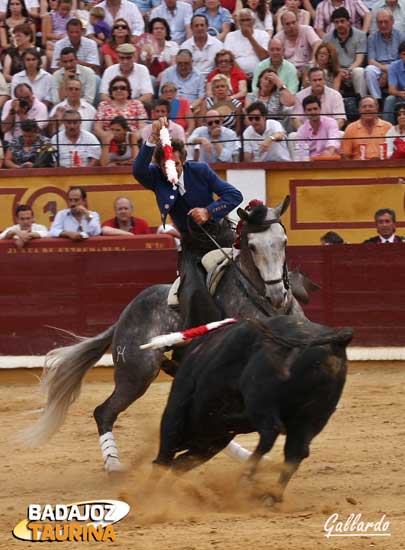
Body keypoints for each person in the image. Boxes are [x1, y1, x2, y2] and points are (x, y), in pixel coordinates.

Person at [133, 116, 243, 328]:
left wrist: (209, 211)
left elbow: (234, 196)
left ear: (183, 161)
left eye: (175, 164)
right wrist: (152, 139)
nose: (170, 170)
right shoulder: (156, 177)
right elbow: (138, 170)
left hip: (220, 235)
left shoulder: (200, 170)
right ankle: (195, 337)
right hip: (192, 245)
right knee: (192, 291)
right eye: (165, 166)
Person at [323, 8, 368, 98]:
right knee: (323, 72)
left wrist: (348, 71)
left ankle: (362, 100)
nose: (340, 24)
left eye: (342, 21)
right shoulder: (327, 38)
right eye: (336, 22)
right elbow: (328, 60)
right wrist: (339, 71)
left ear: (349, 21)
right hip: (336, 70)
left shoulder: (361, 35)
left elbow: (359, 59)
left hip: (352, 70)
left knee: (359, 71)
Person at [365, 9, 405, 103]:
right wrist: (385, 70)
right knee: (369, 70)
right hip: (379, 67)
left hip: (397, 67)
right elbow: (371, 60)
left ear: (392, 22)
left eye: (386, 22)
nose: (383, 25)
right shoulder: (372, 38)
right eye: (380, 22)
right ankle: (377, 101)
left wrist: (389, 72)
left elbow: (402, 58)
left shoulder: (401, 36)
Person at [95, 75, 147, 143]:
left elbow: (142, 127)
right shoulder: (103, 105)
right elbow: (97, 128)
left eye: (123, 88)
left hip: (132, 142)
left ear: (128, 91)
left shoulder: (137, 104)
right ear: (111, 91)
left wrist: (133, 138)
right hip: (109, 143)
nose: (119, 90)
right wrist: (106, 137)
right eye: (115, 88)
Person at [274, 11, 322, 78]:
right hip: (289, 71)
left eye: (293, 22)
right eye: (287, 24)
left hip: (307, 68)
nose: (291, 26)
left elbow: (317, 44)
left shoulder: (307, 29)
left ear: (298, 21)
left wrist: (314, 61)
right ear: (283, 25)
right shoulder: (278, 38)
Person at [223, 8, 269, 77]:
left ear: (253, 21)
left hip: (260, 75)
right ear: (238, 22)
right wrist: (242, 75)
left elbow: (264, 57)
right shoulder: (230, 36)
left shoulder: (263, 34)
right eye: (242, 20)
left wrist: (250, 37)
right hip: (237, 75)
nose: (245, 23)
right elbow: (229, 59)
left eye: (248, 20)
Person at [294, 94, 341, 159]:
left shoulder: (331, 122)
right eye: (309, 110)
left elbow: (333, 141)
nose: (313, 112)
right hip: (310, 164)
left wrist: (329, 153)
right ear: (305, 112)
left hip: (330, 161)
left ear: (320, 109)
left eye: (315, 109)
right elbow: (301, 154)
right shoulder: (301, 130)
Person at [41, 0, 72, 65]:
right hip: (55, 42)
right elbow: (48, 35)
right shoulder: (51, 16)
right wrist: (60, 37)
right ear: (58, 7)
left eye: (68, 10)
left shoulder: (72, 18)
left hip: (68, 42)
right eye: (63, 9)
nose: (65, 12)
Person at [385, 40, 405, 123]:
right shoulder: (393, 66)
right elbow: (391, 90)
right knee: (390, 99)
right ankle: (388, 128)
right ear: (400, 55)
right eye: (404, 54)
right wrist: (401, 94)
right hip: (401, 96)